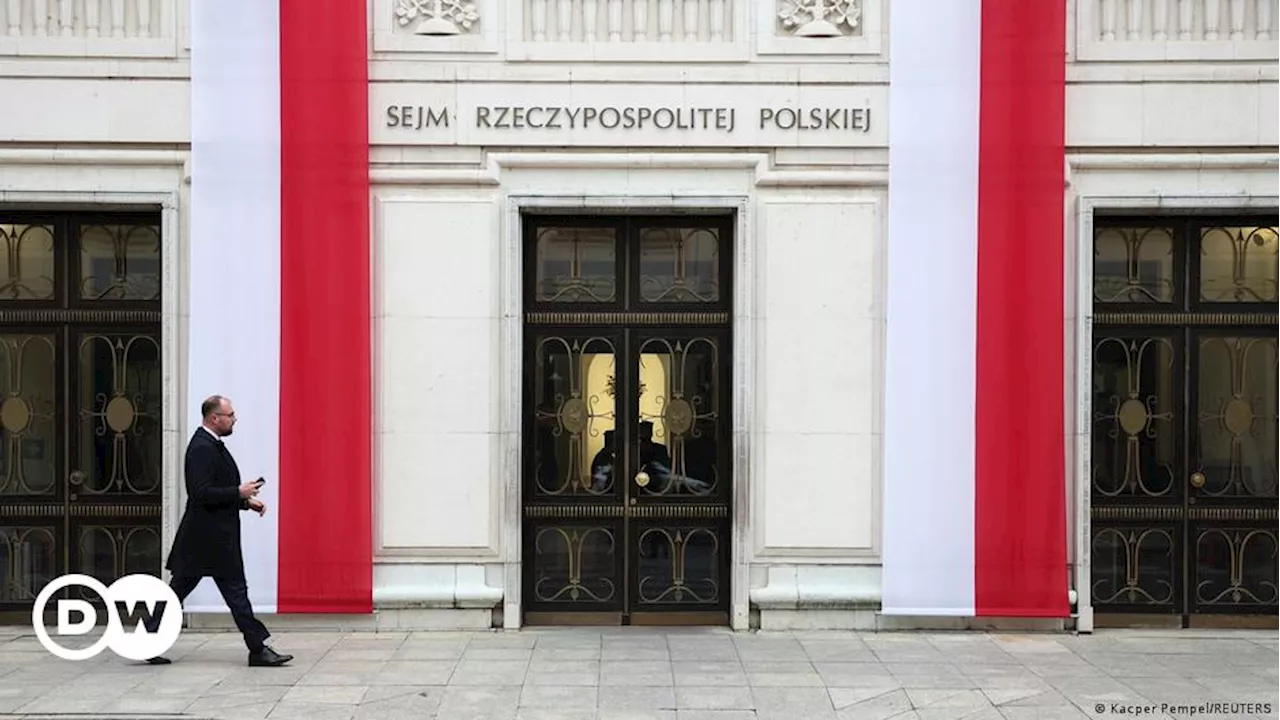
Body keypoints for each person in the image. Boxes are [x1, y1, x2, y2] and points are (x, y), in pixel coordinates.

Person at [145, 395, 293, 667]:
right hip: (207, 539)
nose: (234, 419)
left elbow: (215, 491)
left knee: (197, 592)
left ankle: (257, 648)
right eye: (230, 415)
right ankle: (257, 649)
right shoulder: (202, 447)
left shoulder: (211, 445)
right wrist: (238, 492)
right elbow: (200, 493)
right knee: (222, 593)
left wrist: (245, 502)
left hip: (211, 539)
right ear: (215, 418)